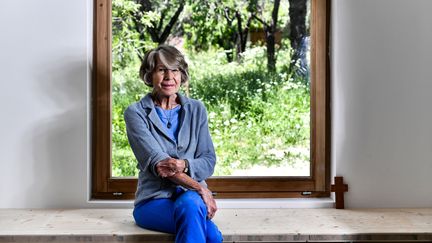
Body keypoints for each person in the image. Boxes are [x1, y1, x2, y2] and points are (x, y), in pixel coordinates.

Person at [124, 44, 223, 243]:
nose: (169, 76)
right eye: (162, 70)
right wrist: (201, 188)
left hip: (190, 199)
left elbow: (208, 160)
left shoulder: (196, 109)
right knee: (211, 236)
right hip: (153, 201)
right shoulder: (135, 113)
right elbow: (161, 165)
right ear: (149, 75)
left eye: (175, 70)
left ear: (182, 74)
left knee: (191, 206)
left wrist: (185, 164)